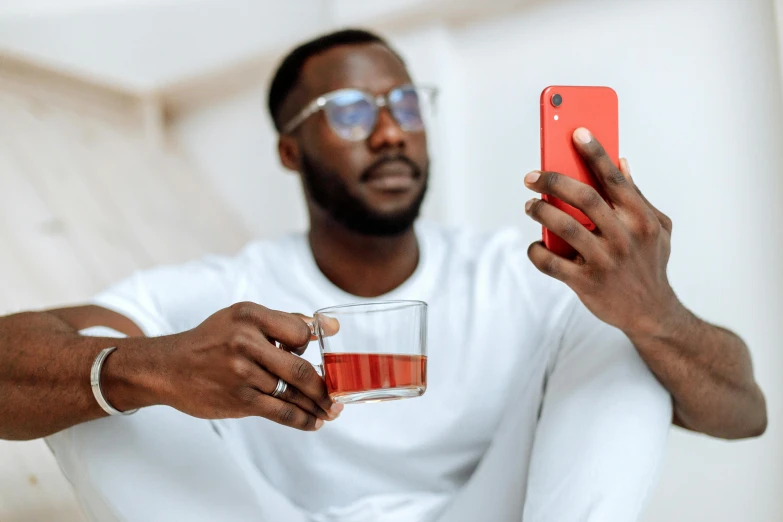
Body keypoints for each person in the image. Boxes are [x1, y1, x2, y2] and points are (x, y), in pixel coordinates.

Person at [0, 29, 766, 522]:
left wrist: (650, 310)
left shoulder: (518, 274)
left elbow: (745, 413)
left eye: (405, 103)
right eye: (351, 111)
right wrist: (156, 368)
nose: (392, 130)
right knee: (97, 365)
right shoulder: (222, 289)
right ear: (291, 152)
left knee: (618, 331)